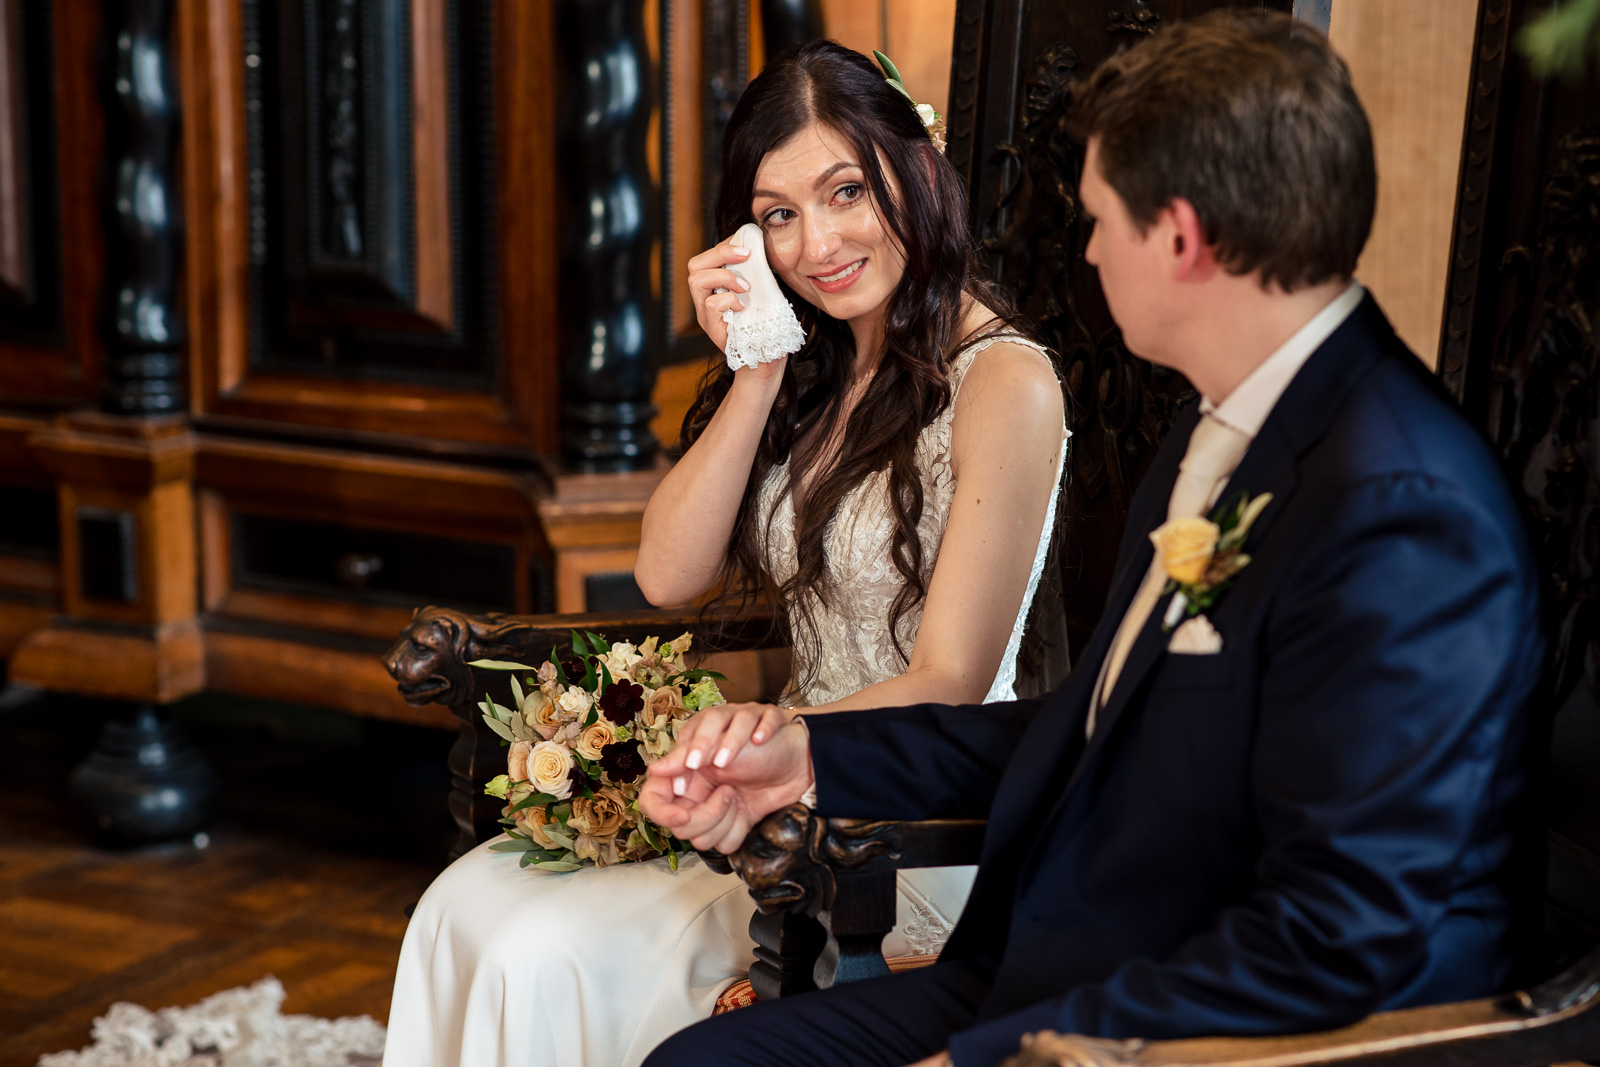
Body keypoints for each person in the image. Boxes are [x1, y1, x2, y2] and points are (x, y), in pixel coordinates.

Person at [639, 11, 1543, 1067]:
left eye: (1099, 218)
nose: (1085, 250)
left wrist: (1000, 1057)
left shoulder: (1400, 504)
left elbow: (1334, 937)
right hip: (1067, 950)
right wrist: (810, 758)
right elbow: (1091, 724)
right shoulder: (1226, 431)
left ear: (1180, 235)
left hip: (1194, 1021)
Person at [382, 41, 1069, 1067]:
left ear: (918, 168)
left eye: (845, 191)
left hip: (902, 819)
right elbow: (667, 574)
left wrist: (744, 750)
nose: (818, 242)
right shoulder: (821, 366)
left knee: (543, 948)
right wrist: (754, 370)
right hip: (765, 784)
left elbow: (951, 678)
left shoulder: (1003, 382)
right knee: (466, 904)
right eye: (778, 214)